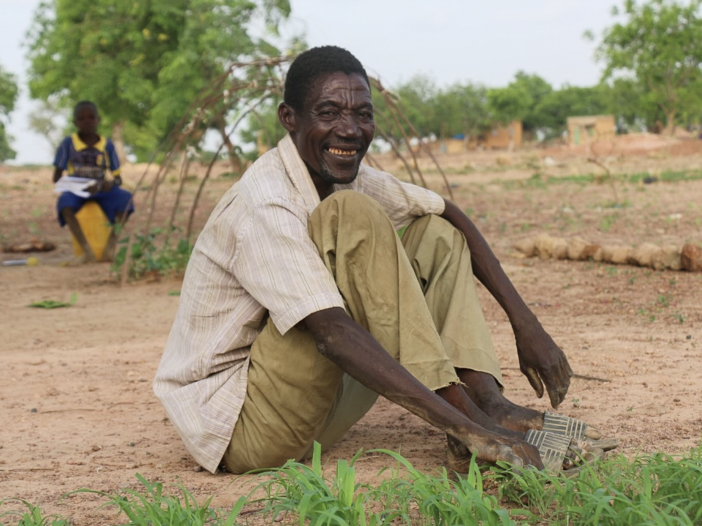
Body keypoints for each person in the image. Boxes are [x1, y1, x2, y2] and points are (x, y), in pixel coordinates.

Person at [154, 46, 607, 476]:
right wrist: (465, 428)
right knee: (350, 217)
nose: (349, 130)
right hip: (247, 428)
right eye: (328, 113)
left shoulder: (342, 172)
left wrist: (526, 323)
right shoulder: (266, 202)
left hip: (316, 413)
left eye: (362, 114)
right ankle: (473, 424)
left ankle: (490, 403)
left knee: (435, 233)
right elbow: (331, 332)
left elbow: (446, 210)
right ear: (289, 119)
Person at [53, 101, 134, 264]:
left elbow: (118, 178)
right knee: (64, 203)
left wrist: (109, 184)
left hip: (102, 189)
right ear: (75, 122)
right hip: (77, 190)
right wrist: (74, 184)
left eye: (91, 117)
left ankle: (110, 248)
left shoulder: (107, 145)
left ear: (98, 120)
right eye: (81, 118)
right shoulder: (67, 144)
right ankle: (86, 250)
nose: (87, 121)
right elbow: (56, 177)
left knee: (126, 199)